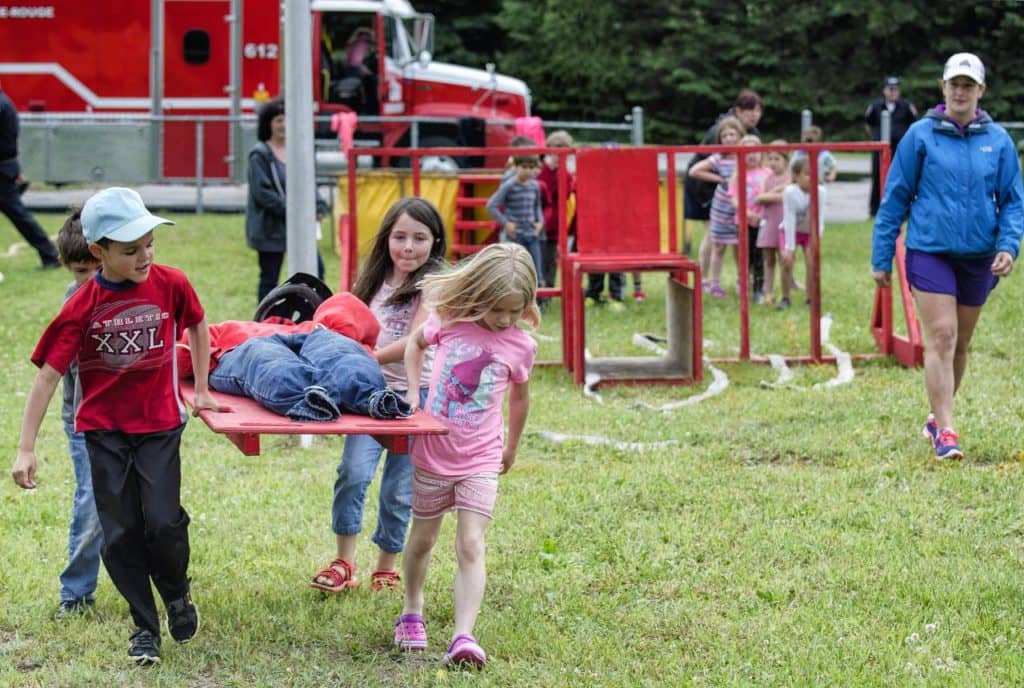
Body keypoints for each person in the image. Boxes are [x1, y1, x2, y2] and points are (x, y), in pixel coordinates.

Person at [11, 187, 218, 665]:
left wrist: (202, 389)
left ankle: (176, 594)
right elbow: (47, 378)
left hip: (160, 425)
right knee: (120, 532)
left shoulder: (172, 283)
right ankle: (145, 627)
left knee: (164, 523)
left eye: (149, 243)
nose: (145, 256)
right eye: (131, 250)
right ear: (98, 252)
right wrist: (26, 448)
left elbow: (198, 324)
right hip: (104, 432)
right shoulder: (81, 305)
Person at [872, 52, 1023, 460]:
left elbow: (1012, 201)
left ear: (980, 91)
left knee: (961, 343)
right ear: (943, 88)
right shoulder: (921, 136)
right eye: (954, 83)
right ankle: (947, 432)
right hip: (929, 251)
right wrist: (881, 256)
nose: (960, 91)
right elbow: (895, 198)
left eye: (968, 84)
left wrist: (1009, 245)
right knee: (942, 335)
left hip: (980, 256)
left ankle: (936, 418)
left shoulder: (999, 142)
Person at [396, 243, 538, 669]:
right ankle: (411, 610)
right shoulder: (450, 322)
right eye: (499, 310)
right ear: (478, 295)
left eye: (516, 310)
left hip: (481, 457)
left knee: (471, 543)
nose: (506, 319)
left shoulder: (520, 345)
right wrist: (412, 392)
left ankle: (463, 636)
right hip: (434, 452)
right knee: (423, 540)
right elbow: (413, 347)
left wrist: (511, 446)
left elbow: (520, 400)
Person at [310, 197, 447, 594]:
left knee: (398, 488)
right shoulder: (369, 281)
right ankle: (344, 561)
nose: (408, 247)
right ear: (386, 238)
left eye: (419, 238)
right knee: (352, 473)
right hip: (367, 393)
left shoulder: (434, 287)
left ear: (435, 242)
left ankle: (386, 566)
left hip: (412, 398)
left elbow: (414, 341)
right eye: (400, 236)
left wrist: (365, 353)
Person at [50, 209, 104, 619]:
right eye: (80, 271)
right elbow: (52, 371)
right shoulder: (74, 302)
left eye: (96, 268)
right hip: (85, 422)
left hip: (133, 421)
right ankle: (76, 593)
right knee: (92, 505)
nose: (89, 279)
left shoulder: (135, 290)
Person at [245, 96, 326, 304]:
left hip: (299, 227)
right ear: (268, 124)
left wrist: (318, 206)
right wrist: (293, 211)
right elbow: (262, 194)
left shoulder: (299, 151)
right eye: (278, 120)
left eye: (287, 119)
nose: (283, 125)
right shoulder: (259, 154)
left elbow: (309, 183)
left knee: (316, 271)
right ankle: (262, 323)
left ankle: (308, 314)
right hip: (271, 228)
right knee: (270, 278)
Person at [683, 89, 763, 255]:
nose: (755, 115)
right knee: (713, 235)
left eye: (758, 111)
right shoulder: (723, 131)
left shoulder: (753, 133)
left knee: (736, 234)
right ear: (738, 111)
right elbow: (714, 164)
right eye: (750, 111)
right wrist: (722, 181)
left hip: (730, 187)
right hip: (704, 186)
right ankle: (705, 277)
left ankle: (742, 278)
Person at [0, 83, 59, 269]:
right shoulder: (5, 103)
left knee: (19, 215)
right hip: (6, 167)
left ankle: (50, 254)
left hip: (2, 169)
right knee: (19, 215)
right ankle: (50, 254)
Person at [687, 117, 746, 298]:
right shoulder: (719, 158)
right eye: (724, 135)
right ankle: (715, 283)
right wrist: (719, 179)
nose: (728, 138)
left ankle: (741, 280)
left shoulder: (745, 156)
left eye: (732, 134)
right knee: (718, 245)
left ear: (740, 136)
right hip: (722, 206)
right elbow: (694, 170)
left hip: (741, 206)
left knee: (740, 246)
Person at [865, 75, 918, 216]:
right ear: (884, 90)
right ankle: (875, 209)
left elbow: (914, 125)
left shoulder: (906, 106)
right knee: (877, 177)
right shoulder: (876, 106)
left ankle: (904, 210)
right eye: (890, 89)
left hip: (900, 149)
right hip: (880, 150)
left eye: (896, 89)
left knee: (902, 178)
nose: (893, 92)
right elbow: (869, 125)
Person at [486, 153, 543, 282]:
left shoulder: (535, 186)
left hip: (531, 233)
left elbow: (537, 205)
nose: (527, 170)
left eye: (531, 167)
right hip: (515, 235)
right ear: (516, 167)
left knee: (535, 269)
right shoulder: (509, 185)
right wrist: (505, 223)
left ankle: (540, 298)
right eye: (524, 167)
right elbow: (491, 205)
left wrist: (539, 222)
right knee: (513, 270)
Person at [779, 156, 826, 310]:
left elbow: (818, 218)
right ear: (796, 176)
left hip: (808, 232)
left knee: (812, 262)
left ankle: (810, 299)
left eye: (814, 172)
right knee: (786, 262)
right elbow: (789, 218)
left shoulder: (820, 192)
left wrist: (815, 241)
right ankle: (785, 298)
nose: (811, 177)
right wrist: (789, 248)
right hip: (789, 230)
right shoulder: (789, 192)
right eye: (807, 173)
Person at [728, 134, 770, 303]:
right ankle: (743, 282)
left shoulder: (767, 173)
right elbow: (733, 198)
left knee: (759, 255)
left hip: (762, 221)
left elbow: (770, 195)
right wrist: (747, 213)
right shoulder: (737, 175)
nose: (752, 155)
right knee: (745, 255)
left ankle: (758, 289)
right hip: (743, 221)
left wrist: (760, 215)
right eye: (747, 151)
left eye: (755, 151)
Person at [538, 129, 575, 304]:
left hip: (554, 224)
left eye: (564, 149)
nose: (559, 153)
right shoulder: (540, 169)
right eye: (556, 148)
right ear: (549, 149)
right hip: (537, 221)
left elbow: (565, 195)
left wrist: (559, 173)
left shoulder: (566, 174)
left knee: (550, 260)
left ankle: (548, 295)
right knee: (535, 257)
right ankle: (535, 292)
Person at [754, 142, 790, 305]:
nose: (773, 162)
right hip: (768, 222)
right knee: (768, 260)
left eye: (777, 159)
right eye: (770, 159)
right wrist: (776, 192)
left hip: (784, 223)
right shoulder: (766, 179)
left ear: (785, 160)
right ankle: (768, 292)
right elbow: (759, 198)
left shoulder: (789, 178)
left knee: (785, 259)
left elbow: (787, 194)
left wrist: (772, 194)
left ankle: (785, 293)